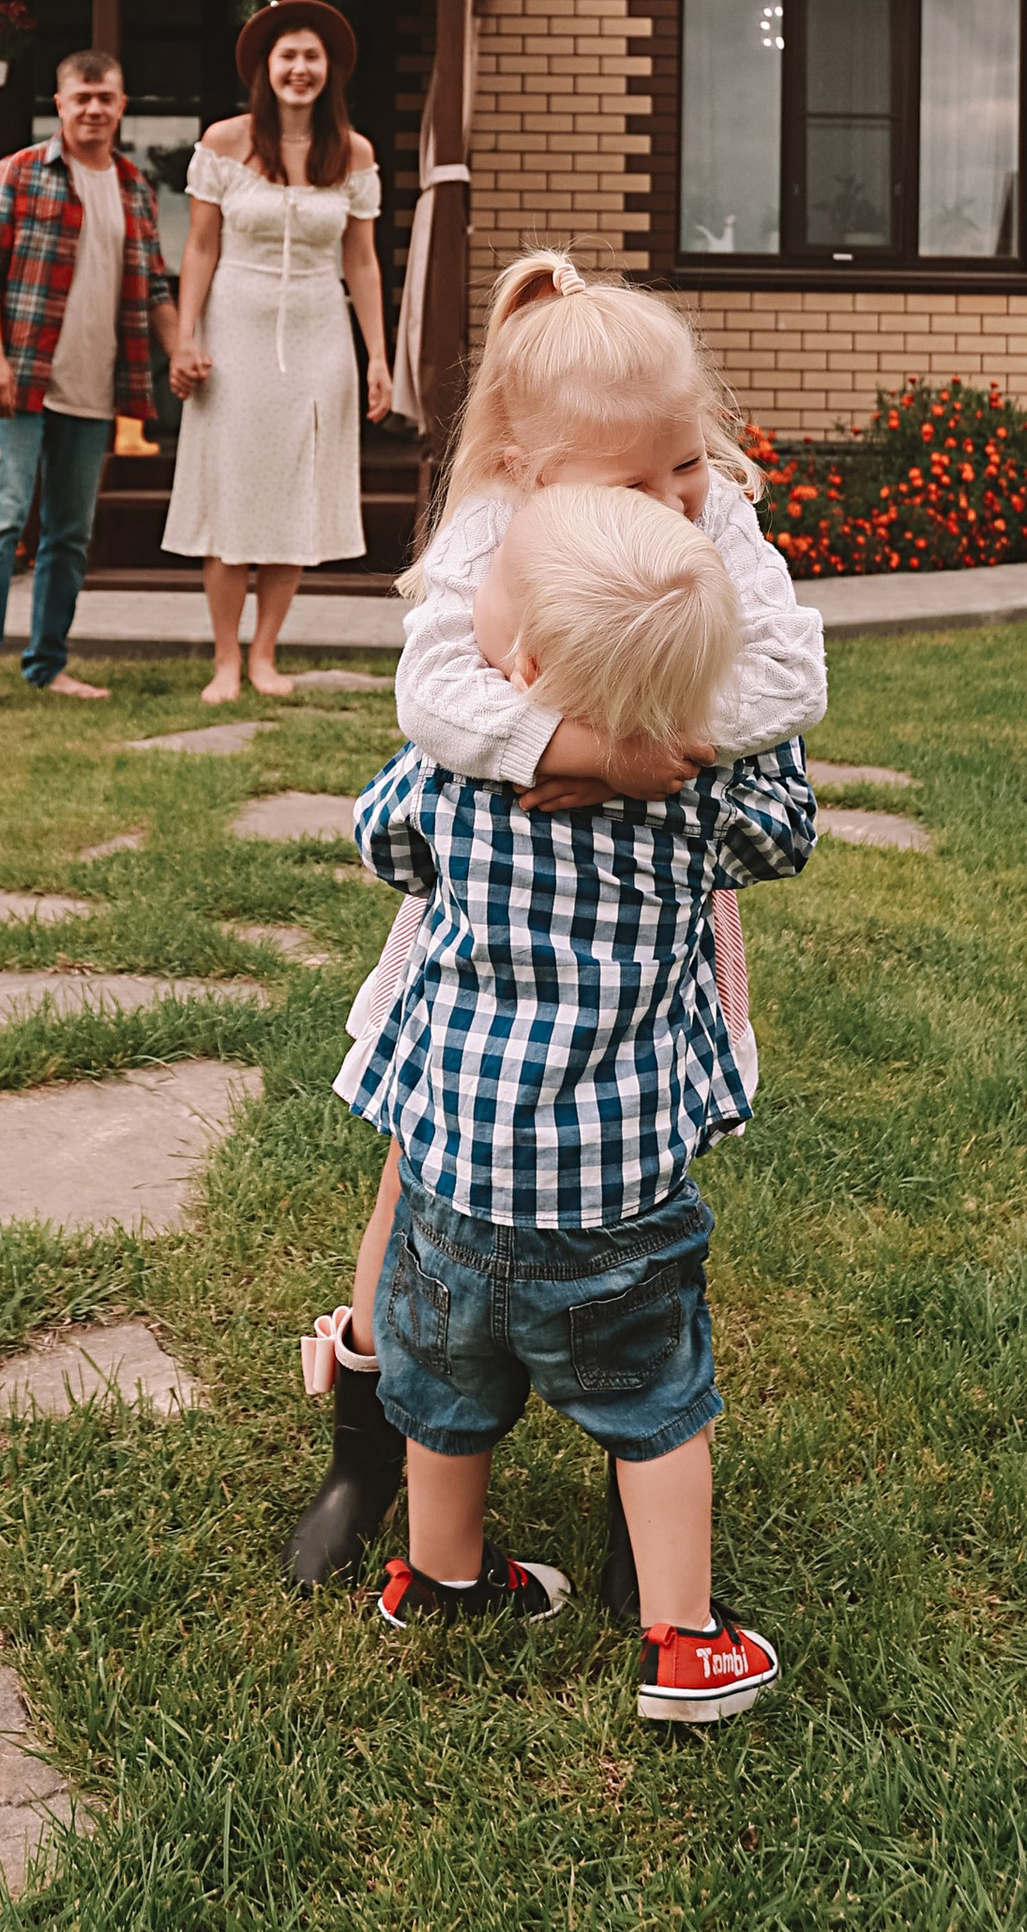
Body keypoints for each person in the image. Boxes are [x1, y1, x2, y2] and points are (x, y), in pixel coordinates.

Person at [284, 248, 825, 1598]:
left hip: (638, 915)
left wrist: (652, 739)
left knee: (625, 1178)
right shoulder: (492, 523)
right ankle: (369, 1442)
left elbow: (787, 676)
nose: (676, 501)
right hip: (476, 930)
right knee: (418, 1170)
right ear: (533, 467)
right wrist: (575, 747)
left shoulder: (712, 512)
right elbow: (433, 698)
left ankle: (631, 1468)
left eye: (686, 465)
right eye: (638, 484)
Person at [343, 478, 817, 1725]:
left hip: (451, 1186)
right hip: (616, 1209)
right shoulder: (694, 803)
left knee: (444, 1398)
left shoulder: (449, 778)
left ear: (521, 664)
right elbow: (784, 836)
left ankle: (440, 1579)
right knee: (658, 1412)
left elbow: (382, 842)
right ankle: (683, 1640)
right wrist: (720, 732)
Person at [164, 0, 390, 705]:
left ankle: (265, 653)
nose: (299, 68)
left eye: (311, 57)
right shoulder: (224, 141)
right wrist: (187, 336)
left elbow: (362, 262)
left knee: (296, 497)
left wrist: (378, 357)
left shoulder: (353, 152)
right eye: (287, 55)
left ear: (330, 69)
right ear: (265, 66)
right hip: (235, 330)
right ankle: (225, 659)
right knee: (231, 493)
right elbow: (200, 246)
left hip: (321, 334)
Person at [0, 47, 182, 710]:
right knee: (2, 521)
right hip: (17, 381)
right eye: (82, 97)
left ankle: (48, 664)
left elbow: (153, 288)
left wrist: (182, 352)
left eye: (106, 98)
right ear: (60, 104)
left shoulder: (134, 188)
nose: (94, 109)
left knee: (70, 536)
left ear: (122, 105)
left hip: (94, 390)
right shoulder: (19, 172)